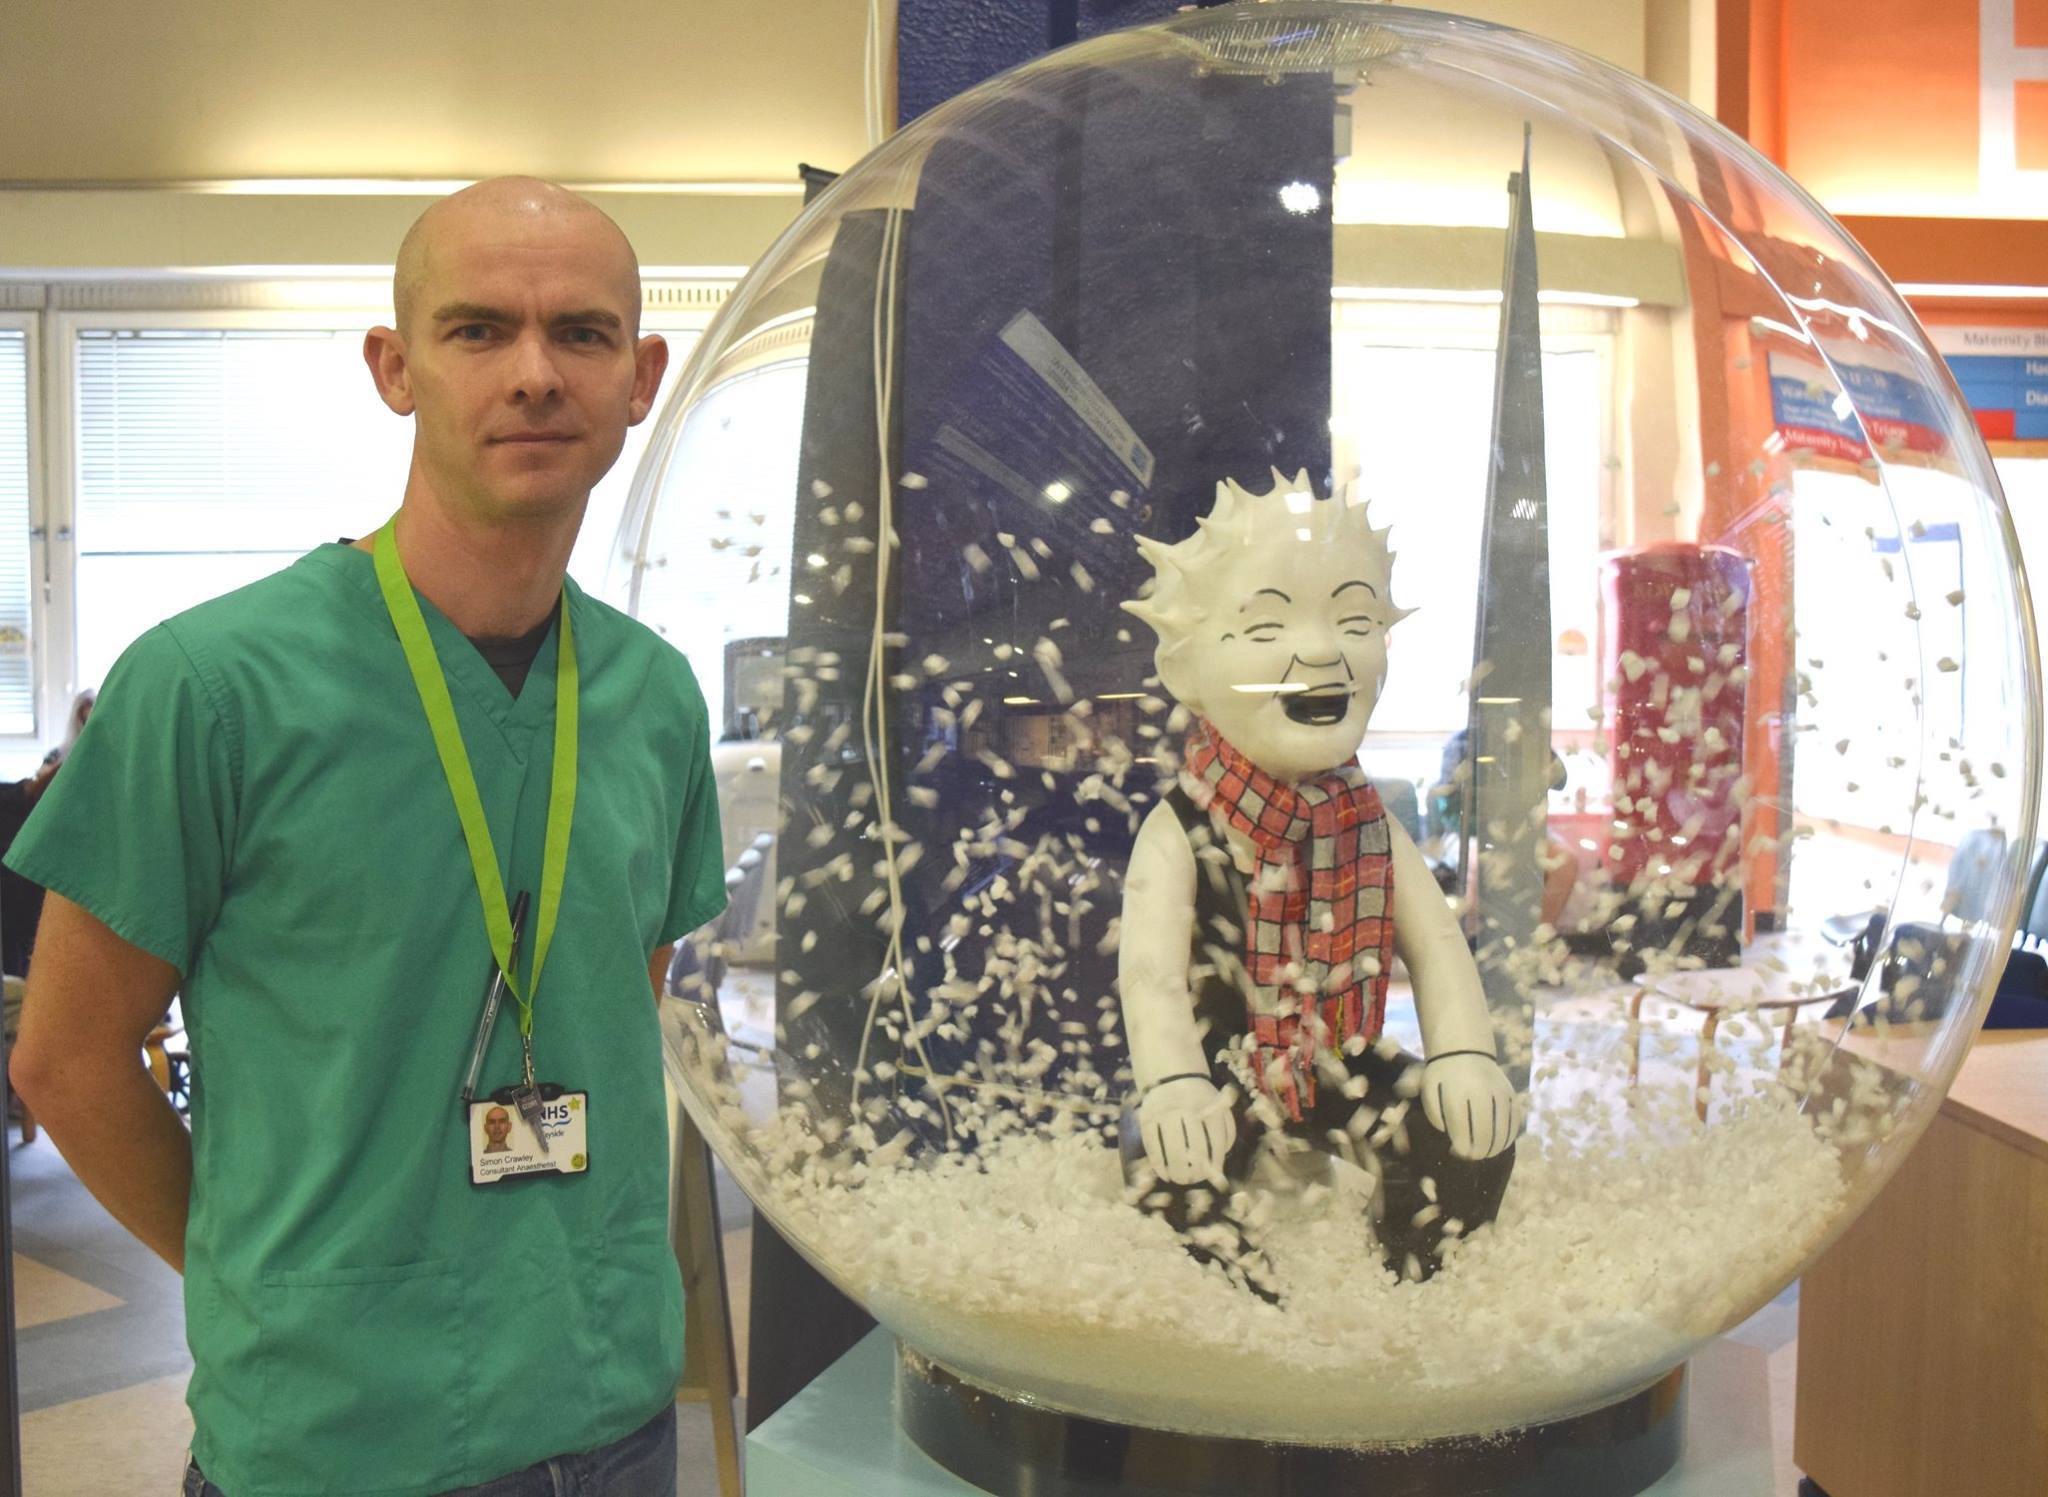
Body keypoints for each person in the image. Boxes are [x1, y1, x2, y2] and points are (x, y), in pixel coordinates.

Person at [6, 178, 727, 1496]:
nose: (534, 374)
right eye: (476, 332)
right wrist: (278, 1288)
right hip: (333, 1440)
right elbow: (66, 1058)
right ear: (394, 369)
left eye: (581, 332)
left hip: (611, 1408)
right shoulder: (209, 685)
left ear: (641, 375)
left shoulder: (655, 696)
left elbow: (623, 1003)